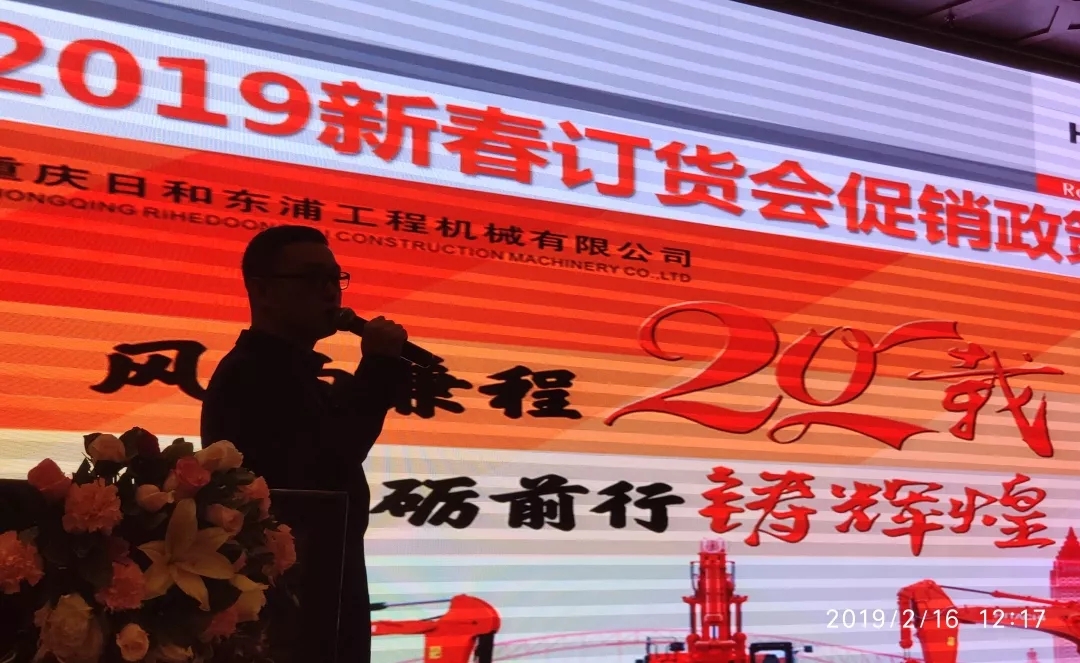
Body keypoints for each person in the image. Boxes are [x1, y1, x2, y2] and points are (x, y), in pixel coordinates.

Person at [200, 225, 409, 663]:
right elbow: (330, 461)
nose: (330, 292)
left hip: (323, 594)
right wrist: (377, 369)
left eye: (335, 278)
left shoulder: (294, 373)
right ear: (263, 290)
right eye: (313, 278)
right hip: (292, 617)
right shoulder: (251, 374)